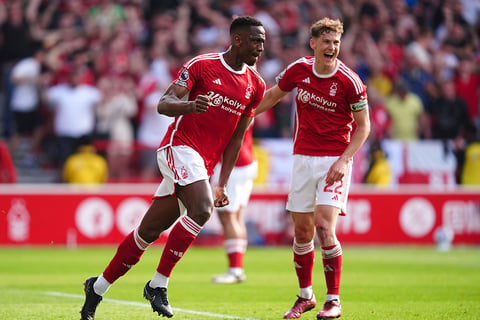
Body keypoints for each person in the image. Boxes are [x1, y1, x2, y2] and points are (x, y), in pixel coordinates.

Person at [80, 16, 266, 320]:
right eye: (256, 41)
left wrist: (223, 181)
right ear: (237, 40)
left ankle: (96, 288)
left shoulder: (256, 85)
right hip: (178, 148)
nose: (260, 48)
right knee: (202, 210)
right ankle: (158, 284)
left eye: (263, 42)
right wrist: (190, 106)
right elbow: (163, 103)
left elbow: (237, 138)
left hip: (202, 165)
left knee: (147, 232)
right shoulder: (203, 65)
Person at [255, 18, 370, 319]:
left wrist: (344, 160)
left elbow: (363, 127)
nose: (332, 47)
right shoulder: (299, 70)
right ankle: (305, 296)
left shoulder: (350, 82)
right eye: (327, 42)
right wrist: (240, 115)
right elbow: (272, 95)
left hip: (334, 161)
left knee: (323, 227)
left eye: (336, 42)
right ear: (314, 44)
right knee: (302, 232)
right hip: (302, 159)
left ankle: (334, 300)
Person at [211, 125, 257, 284]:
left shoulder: (226, 102)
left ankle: (235, 270)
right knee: (237, 216)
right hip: (247, 159)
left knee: (228, 215)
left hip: (232, 164)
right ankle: (237, 268)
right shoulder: (247, 101)